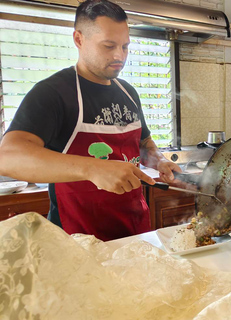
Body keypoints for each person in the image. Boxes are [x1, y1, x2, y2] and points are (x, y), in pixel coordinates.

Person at [0, 0, 181, 241]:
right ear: (78, 39)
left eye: (125, 46)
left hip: (135, 232)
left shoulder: (128, 92)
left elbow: (143, 141)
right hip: (79, 240)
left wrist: (159, 161)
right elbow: (8, 156)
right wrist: (92, 168)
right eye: (109, 46)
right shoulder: (53, 93)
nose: (120, 55)